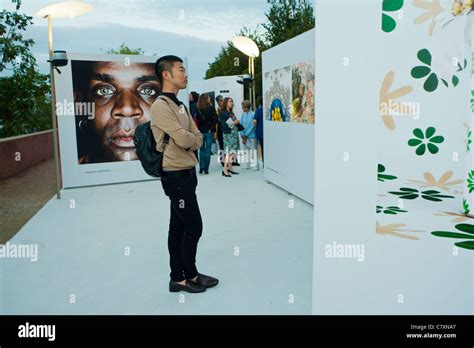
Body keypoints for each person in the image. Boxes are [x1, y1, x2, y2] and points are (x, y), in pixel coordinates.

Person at [150, 55, 218, 293]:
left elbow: (196, 135)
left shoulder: (179, 104)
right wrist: (192, 139)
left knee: (178, 227)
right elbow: (184, 137)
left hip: (186, 174)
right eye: (181, 69)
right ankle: (190, 275)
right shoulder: (160, 106)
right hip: (176, 177)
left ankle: (177, 278)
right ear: (167, 75)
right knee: (194, 226)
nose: (185, 74)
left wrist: (192, 139)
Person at [72, 61, 161, 164]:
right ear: (82, 105)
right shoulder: (74, 176)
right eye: (104, 91)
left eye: (148, 91)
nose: (126, 109)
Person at [196, 93, 217, 174]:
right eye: (208, 97)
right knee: (208, 150)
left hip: (200, 131)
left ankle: (201, 168)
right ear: (205, 99)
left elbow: (196, 120)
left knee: (201, 150)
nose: (210, 98)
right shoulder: (211, 108)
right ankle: (206, 169)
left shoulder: (198, 108)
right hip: (209, 131)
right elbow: (215, 119)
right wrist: (211, 128)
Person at [219, 97, 240, 177]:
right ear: (226, 103)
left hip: (233, 134)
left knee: (232, 152)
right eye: (230, 101)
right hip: (228, 135)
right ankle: (225, 170)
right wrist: (235, 122)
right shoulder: (223, 113)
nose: (232, 103)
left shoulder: (230, 112)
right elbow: (224, 125)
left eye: (232, 101)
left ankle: (230, 168)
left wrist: (235, 122)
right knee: (229, 152)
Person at [239, 100, 259, 171]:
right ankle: (246, 165)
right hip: (244, 136)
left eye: (243, 107)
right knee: (246, 150)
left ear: (247, 107)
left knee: (253, 150)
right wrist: (242, 134)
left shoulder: (253, 114)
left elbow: (253, 126)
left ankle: (255, 166)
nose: (242, 108)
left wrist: (246, 134)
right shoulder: (243, 115)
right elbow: (240, 124)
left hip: (252, 136)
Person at [253, 96, 264, 167]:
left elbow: (254, 121)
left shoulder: (258, 110)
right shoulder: (268, 110)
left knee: (263, 148)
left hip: (260, 133)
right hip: (270, 133)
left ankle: (264, 163)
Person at [215, 95, 225, 166]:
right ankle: (222, 161)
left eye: (223, 100)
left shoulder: (226, 109)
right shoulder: (216, 110)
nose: (222, 101)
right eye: (221, 100)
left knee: (227, 146)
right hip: (219, 130)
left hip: (226, 130)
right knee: (221, 146)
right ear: (218, 102)